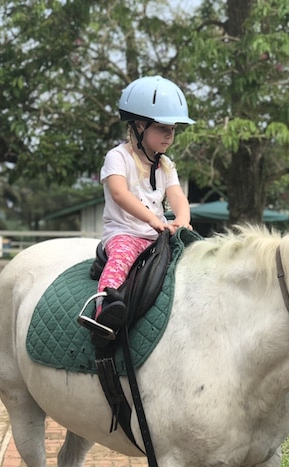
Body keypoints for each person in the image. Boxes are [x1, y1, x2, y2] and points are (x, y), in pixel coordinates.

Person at [78, 76, 194, 341]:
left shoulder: (166, 165)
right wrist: (154, 220)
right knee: (120, 260)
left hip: (157, 235)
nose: (170, 135)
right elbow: (119, 193)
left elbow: (177, 196)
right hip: (125, 233)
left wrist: (183, 220)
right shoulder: (117, 157)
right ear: (140, 126)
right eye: (163, 128)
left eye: (173, 129)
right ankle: (103, 310)